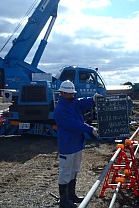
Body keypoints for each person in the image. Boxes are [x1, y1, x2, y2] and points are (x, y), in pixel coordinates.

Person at [53, 80, 100, 208]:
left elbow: (82, 102)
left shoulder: (73, 102)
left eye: (73, 93)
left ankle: (71, 195)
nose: (72, 95)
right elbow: (74, 125)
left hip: (77, 144)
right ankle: (64, 201)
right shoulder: (60, 109)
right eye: (69, 94)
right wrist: (90, 129)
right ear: (62, 93)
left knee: (74, 170)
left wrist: (93, 99)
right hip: (67, 145)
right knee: (65, 172)